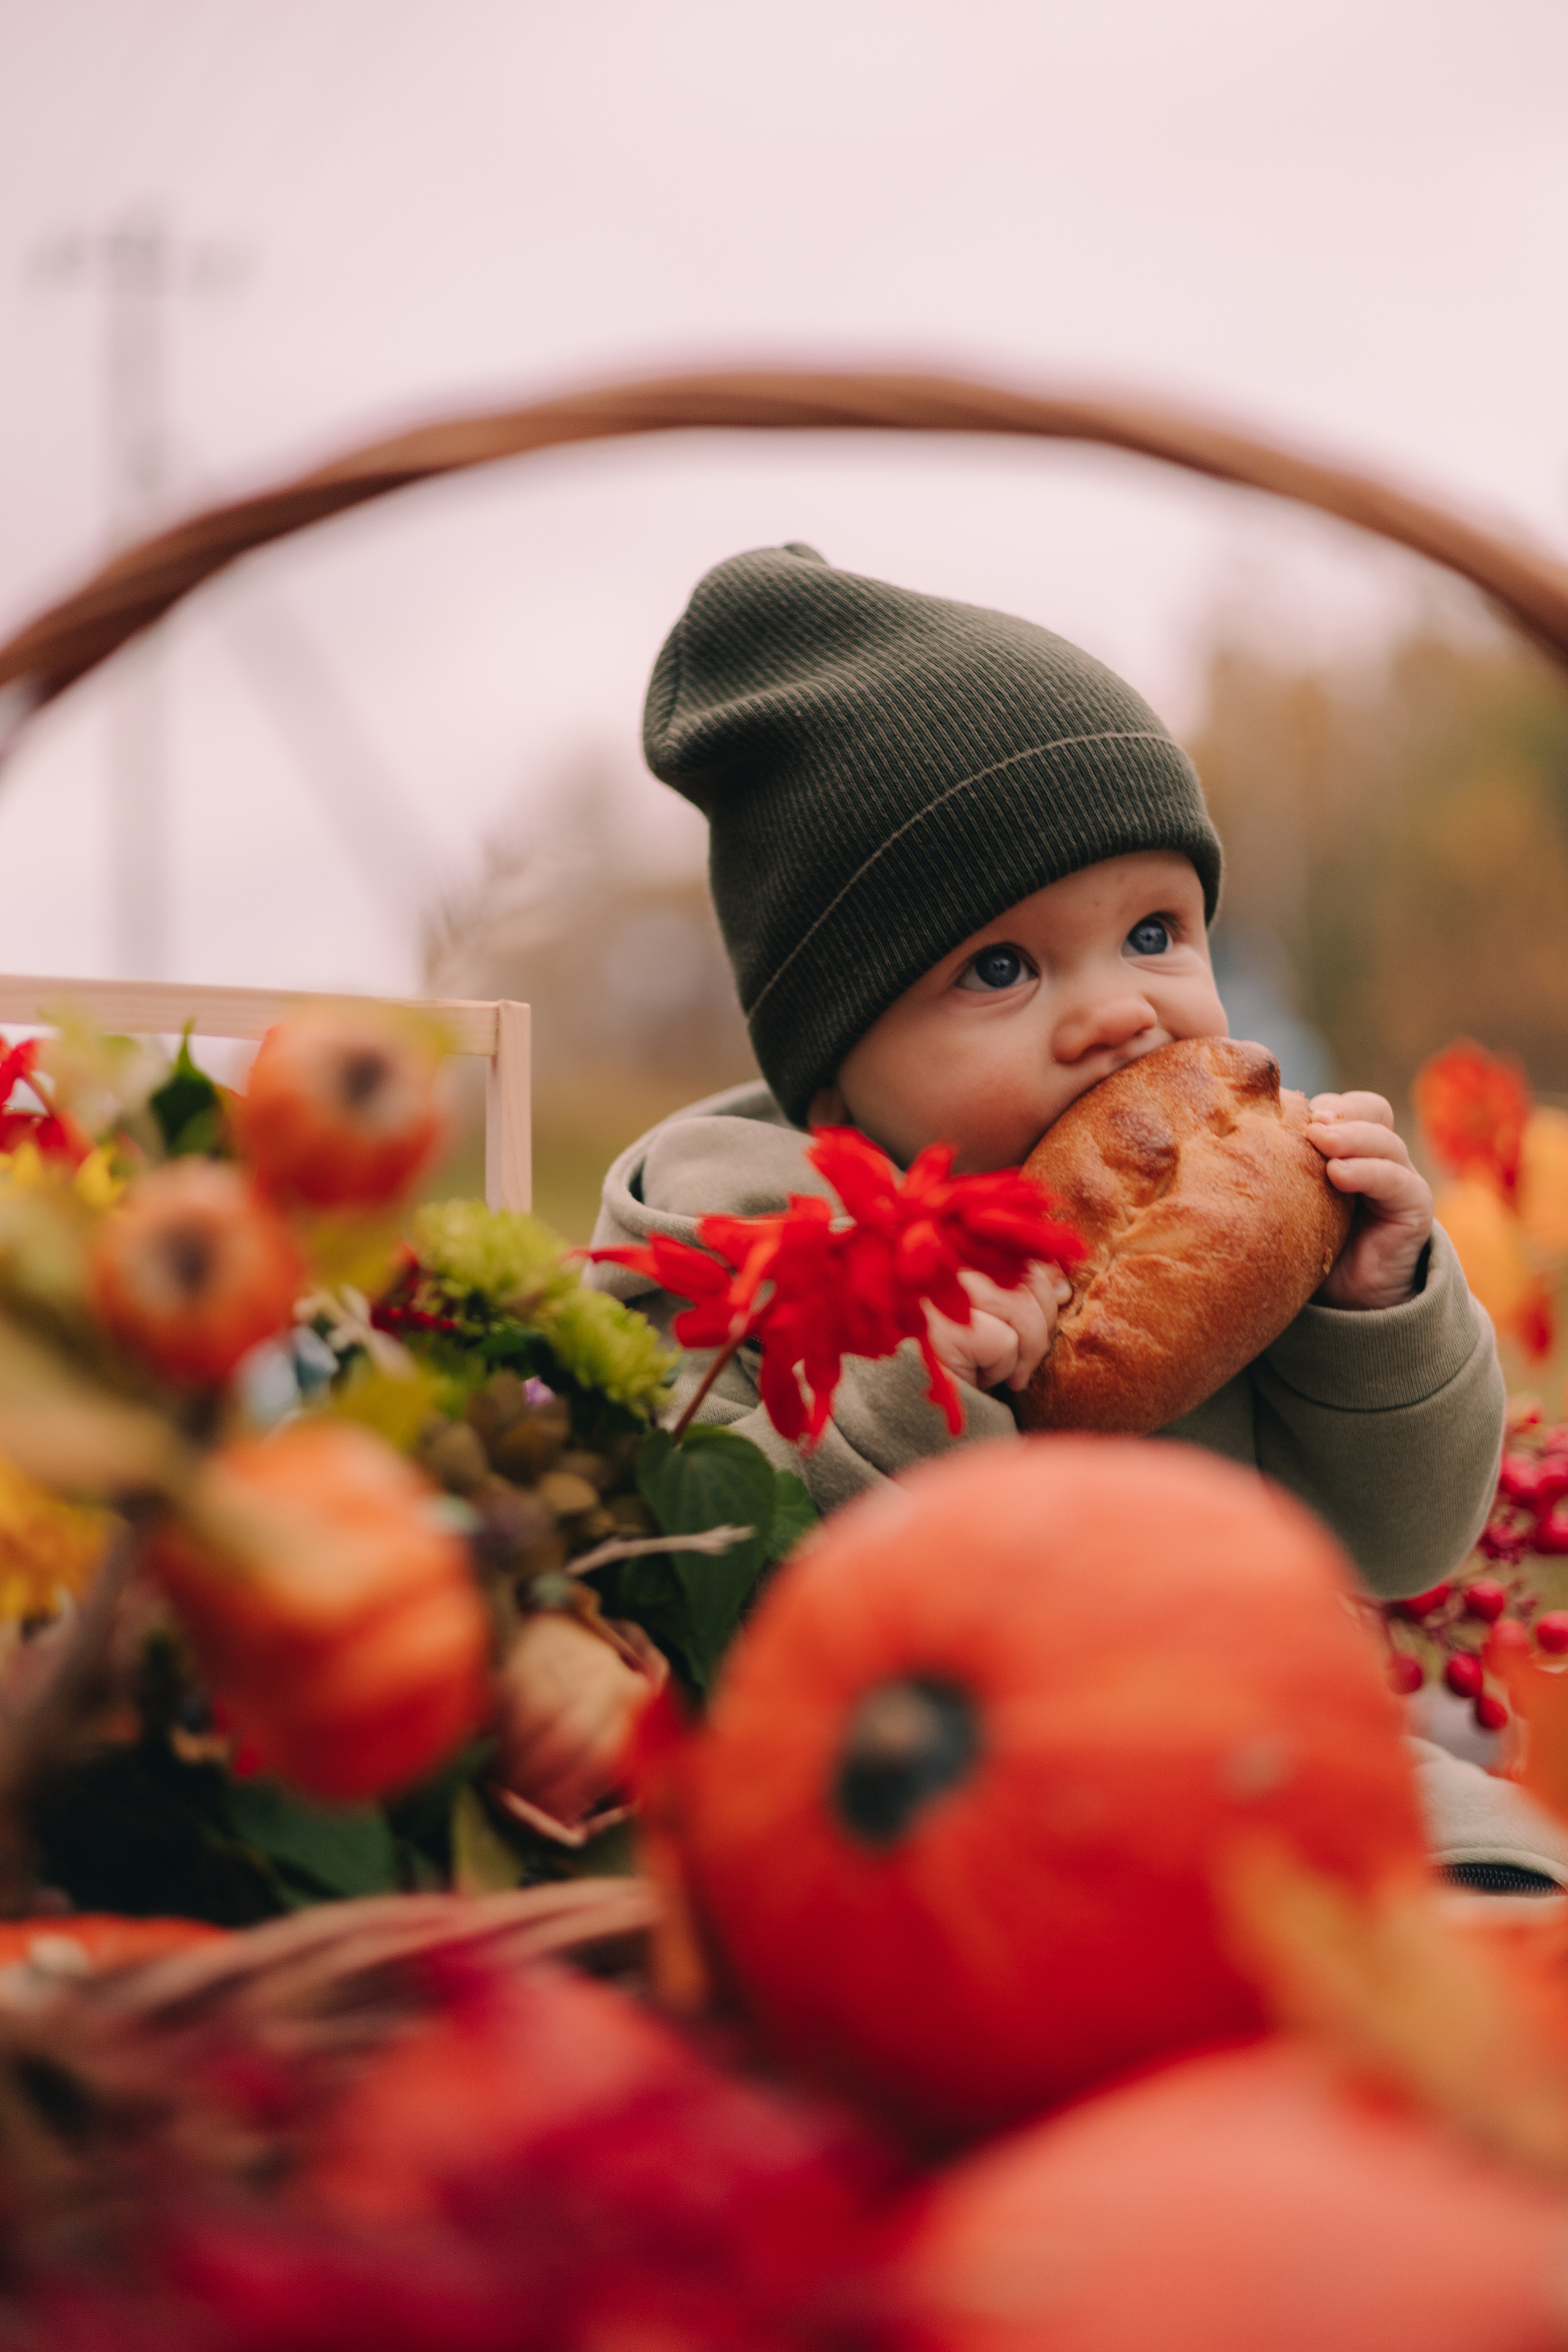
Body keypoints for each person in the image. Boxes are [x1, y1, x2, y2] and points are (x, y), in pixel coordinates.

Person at [589, 542, 1504, 1603]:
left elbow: (1400, 1551)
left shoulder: (1217, 1255)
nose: (1120, 1011)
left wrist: (1375, 1317)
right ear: (835, 1085)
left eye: (1156, 933)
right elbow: (699, 1615)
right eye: (1002, 967)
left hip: (1254, 1741)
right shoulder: (730, 1254)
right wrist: (905, 1387)